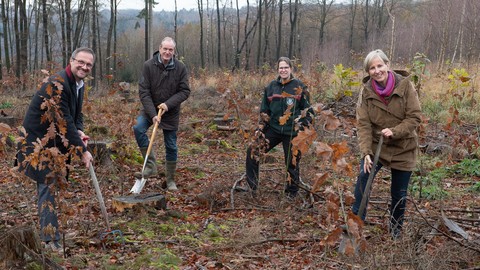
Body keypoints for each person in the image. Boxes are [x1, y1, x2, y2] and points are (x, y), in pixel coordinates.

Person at [16, 47, 95, 250]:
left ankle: (51, 233)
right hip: (37, 142)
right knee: (47, 185)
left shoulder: (78, 83)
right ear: (72, 60)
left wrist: (80, 131)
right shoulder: (58, 83)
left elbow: (75, 115)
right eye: (81, 62)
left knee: (53, 185)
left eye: (89, 65)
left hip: (53, 141)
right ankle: (50, 241)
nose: (84, 67)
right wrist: (82, 151)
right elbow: (65, 120)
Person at [352, 49, 422, 238]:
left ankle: (395, 231)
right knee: (362, 185)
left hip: (403, 147)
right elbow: (363, 124)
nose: (377, 71)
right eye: (372, 68)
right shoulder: (366, 92)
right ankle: (354, 228)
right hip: (376, 147)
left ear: (387, 65)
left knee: (399, 195)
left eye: (379, 66)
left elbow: (415, 117)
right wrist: (365, 152)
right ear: (368, 72)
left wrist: (395, 131)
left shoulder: (406, 86)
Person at [245, 57, 314, 198]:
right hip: (274, 129)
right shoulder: (271, 87)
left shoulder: (300, 87)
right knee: (253, 151)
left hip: (292, 132)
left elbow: (309, 111)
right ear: (278, 70)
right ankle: (252, 187)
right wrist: (260, 128)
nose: (283, 70)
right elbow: (265, 112)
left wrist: (302, 130)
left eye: (286, 67)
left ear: (291, 69)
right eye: (281, 68)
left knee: (292, 163)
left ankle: (291, 194)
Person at [133, 37, 190, 191]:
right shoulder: (148, 66)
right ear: (160, 48)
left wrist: (168, 104)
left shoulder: (180, 68)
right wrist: (153, 114)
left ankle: (170, 180)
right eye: (165, 49)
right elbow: (143, 92)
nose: (167, 52)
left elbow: (185, 91)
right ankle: (151, 165)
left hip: (170, 112)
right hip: (150, 109)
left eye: (170, 50)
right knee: (138, 128)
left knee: (171, 146)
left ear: (174, 51)